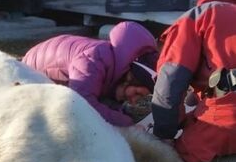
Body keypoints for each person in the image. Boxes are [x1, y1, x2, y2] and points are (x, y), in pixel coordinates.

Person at [151, 0, 236, 162]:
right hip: (226, 102)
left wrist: (165, 133)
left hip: (228, 115)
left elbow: (170, 81)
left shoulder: (198, 17)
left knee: (182, 155)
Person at [22, 22, 158, 127]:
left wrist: (120, 113)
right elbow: (81, 105)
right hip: (29, 72)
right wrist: (127, 124)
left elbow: (100, 98)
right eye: (137, 94)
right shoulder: (92, 61)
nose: (134, 101)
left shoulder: (114, 66)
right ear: (130, 77)